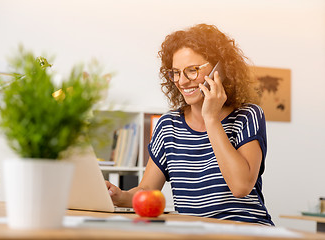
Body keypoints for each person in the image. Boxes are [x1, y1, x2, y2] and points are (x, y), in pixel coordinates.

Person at [106, 23, 274, 226]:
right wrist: (119, 196)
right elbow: (146, 190)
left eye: (192, 70)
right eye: (176, 72)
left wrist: (211, 118)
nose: (182, 82)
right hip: (195, 232)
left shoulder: (247, 115)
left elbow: (240, 187)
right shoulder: (168, 125)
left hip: (246, 231)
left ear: (220, 69)